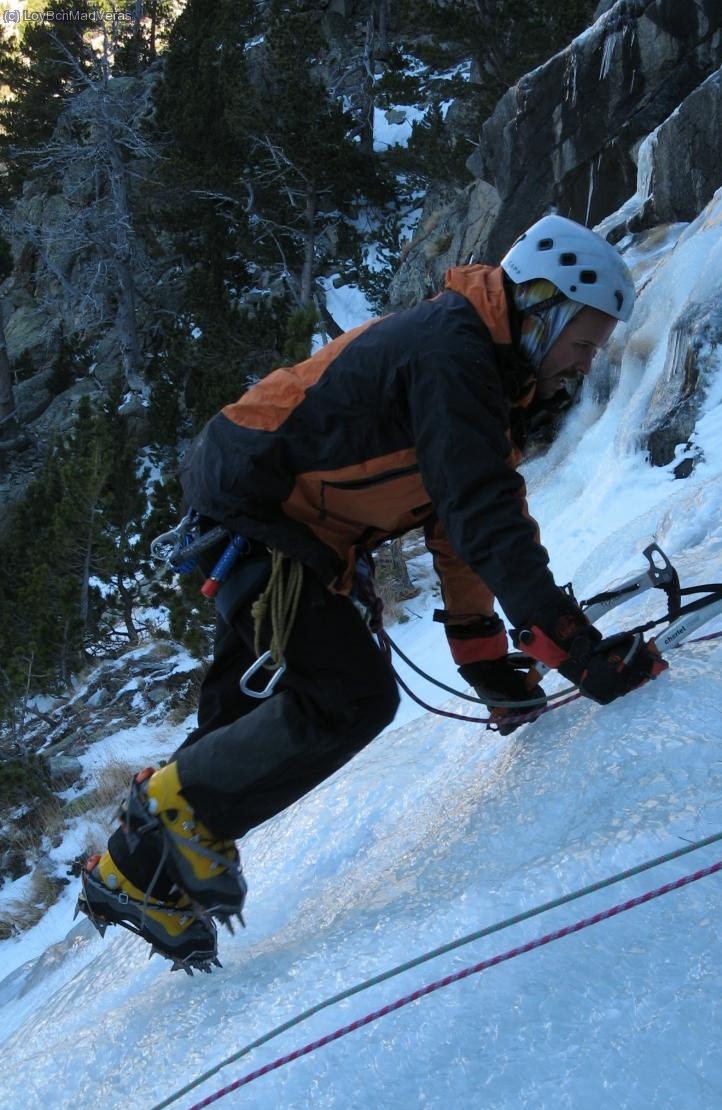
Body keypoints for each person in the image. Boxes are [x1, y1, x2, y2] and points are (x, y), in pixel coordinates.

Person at [77, 214, 668, 971]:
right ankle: (167, 811)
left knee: (253, 713)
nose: (585, 364)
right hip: (262, 510)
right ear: (541, 308)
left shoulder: (488, 379)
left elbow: (459, 529)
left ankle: (133, 876)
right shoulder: (453, 354)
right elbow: (484, 516)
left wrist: (487, 660)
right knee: (349, 695)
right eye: (582, 342)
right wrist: (572, 648)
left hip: (276, 517)